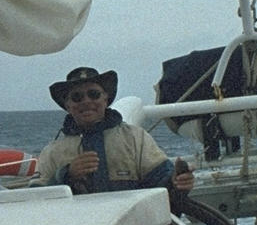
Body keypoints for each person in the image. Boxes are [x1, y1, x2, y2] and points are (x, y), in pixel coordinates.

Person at [35, 66, 195, 197]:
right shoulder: (53, 153)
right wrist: (66, 175)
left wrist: (178, 182)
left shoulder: (135, 139)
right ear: (68, 105)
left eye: (93, 94)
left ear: (106, 98)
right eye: (77, 97)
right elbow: (36, 199)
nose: (86, 101)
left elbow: (162, 185)